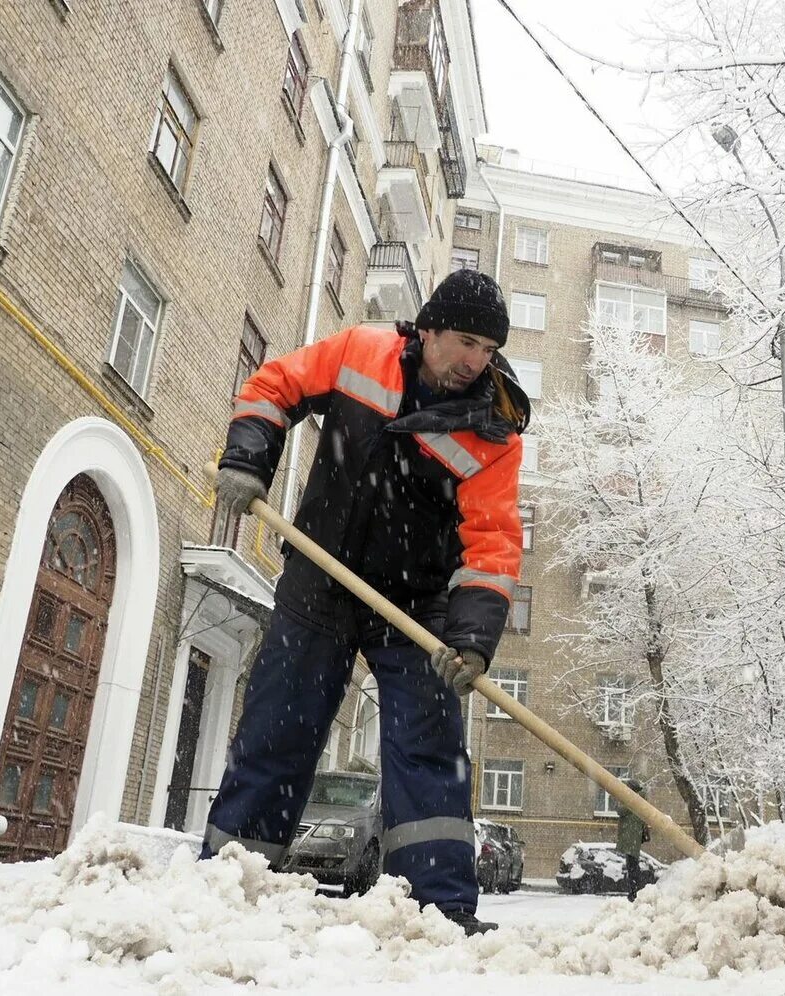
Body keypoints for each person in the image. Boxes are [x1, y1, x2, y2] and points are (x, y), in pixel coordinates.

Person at [201, 270, 529, 937]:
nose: (476, 361)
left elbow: (491, 544)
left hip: (418, 607)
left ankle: (437, 912)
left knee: (428, 745)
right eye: (466, 341)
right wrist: (248, 458)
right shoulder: (360, 351)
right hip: (320, 580)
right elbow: (275, 385)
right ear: (429, 328)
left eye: (489, 349)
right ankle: (228, 878)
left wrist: (470, 639)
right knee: (277, 727)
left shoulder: (492, 434)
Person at [617, 779, 652, 901]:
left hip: (632, 836)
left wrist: (622, 800)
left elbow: (620, 810)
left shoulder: (633, 800)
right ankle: (635, 891)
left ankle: (635, 892)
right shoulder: (637, 800)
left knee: (632, 866)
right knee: (633, 865)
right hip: (633, 835)